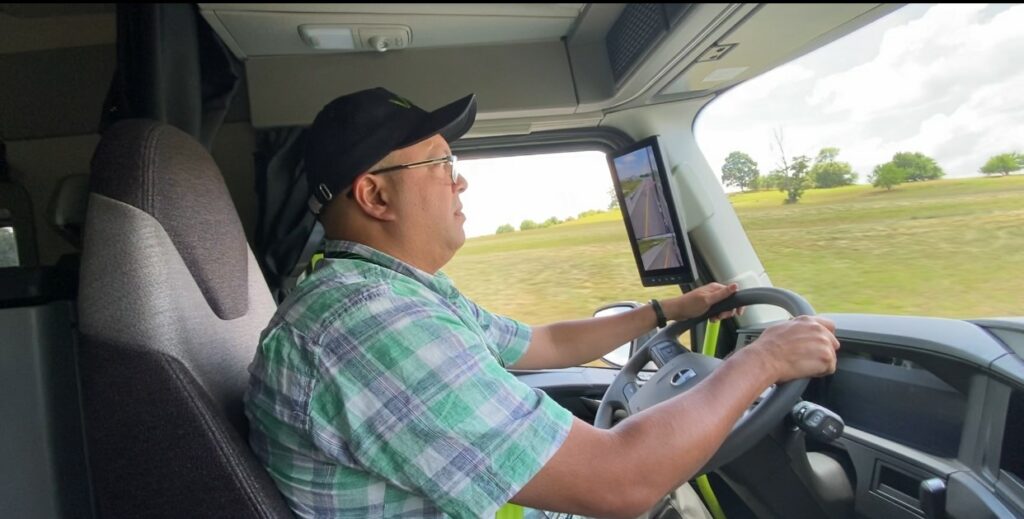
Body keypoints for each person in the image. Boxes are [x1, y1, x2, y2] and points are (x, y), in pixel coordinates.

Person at [244, 87, 840, 519]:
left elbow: (542, 344)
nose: (461, 180)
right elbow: (619, 482)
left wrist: (666, 312)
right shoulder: (373, 324)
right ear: (374, 194)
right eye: (442, 162)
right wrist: (760, 362)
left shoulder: (394, 291)